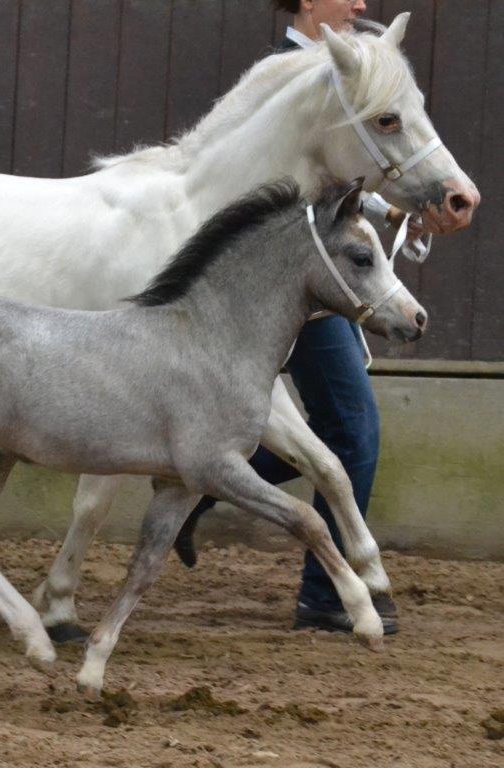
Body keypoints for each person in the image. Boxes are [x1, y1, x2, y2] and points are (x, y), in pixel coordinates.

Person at [174, 0, 427, 635]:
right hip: (290, 276)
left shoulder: (342, 71)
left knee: (339, 429)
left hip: (317, 274)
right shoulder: (293, 74)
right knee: (352, 427)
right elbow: (292, 183)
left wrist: (400, 207)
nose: (363, 4)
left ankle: (201, 485)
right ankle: (327, 592)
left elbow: (342, 174)